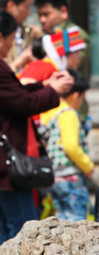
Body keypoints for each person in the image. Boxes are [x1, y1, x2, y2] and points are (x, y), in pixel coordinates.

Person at [0, 10, 73, 255]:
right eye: (12, 38)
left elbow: (13, 92)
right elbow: (23, 103)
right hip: (5, 163)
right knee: (24, 230)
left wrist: (44, 85)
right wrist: (54, 90)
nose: (14, 44)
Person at [39, 69, 94, 221]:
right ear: (76, 95)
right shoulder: (69, 114)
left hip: (54, 177)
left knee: (62, 222)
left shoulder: (50, 112)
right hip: (70, 177)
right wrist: (88, 166)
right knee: (77, 223)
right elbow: (71, 146)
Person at [0, 0, 38, 72]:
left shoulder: (29, 33)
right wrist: (19, 63)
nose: (29, 12)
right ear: (11, 5)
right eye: (26, 6)